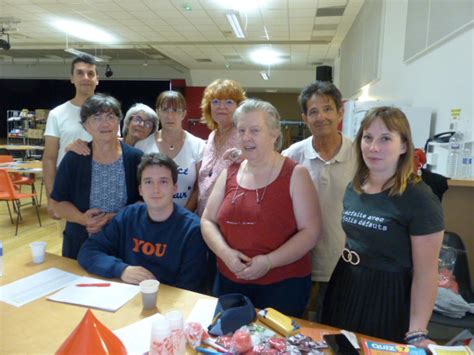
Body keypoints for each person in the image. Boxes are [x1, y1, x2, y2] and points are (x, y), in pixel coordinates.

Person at [321, 107, 444, 345]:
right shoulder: (355, 187)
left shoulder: (419, 198)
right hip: (346, 283)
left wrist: (418, 331)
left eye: (385, 138)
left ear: (404, 146)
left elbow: (427, 272)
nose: (373, 147)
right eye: (367, 138)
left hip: (388, 295)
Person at [201, 99, 322, 317]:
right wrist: (225, 253)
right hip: (230, 283)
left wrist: (268, 261)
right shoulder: (230, 171)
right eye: (241, 130)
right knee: (231, 345)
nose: (246, 137)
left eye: (255, 130)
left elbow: (310, 232)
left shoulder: (296, 174)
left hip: (283, 287)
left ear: (274, 134)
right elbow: (207, 220)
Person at [78, 153, 208, 292]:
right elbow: (88, 251)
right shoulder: (128, 216)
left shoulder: (192, 230)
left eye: (163, 181)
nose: (155, 189)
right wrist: (122, 269)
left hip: (167, 303)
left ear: (175, 188)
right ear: (140, 189)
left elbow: (189, 289)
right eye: (148, 182)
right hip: (125, 296)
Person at [281, 81, 355, 322]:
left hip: (345, 261)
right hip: (301, 259)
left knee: (334, 325)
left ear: (340, 113)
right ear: (305, 117)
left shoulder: (359, 154)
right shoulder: (293, 155)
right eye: (313, 111)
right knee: (297, 324)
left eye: (327, 109)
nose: (321, 117)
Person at [51, 94, 143, 259]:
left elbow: (144, 202)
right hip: (79, 244)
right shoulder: (74, 158)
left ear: (119, 121)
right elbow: (57, 203)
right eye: (97, 117)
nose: (105, 123)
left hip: (125, 243)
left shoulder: (135, 158)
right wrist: (82, 218)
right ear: (86, 125)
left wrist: (114, 218)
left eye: (111, 116)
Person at [43, 54, 99, 219]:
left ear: (97, 79)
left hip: (101, 184)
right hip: (68, 189)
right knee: (71, 241)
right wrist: (51, 198)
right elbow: (49, 159)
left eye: (90, 73)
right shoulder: (57, 114)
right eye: (80, 73)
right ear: (72, 78)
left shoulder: (108, 114)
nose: (86, 78)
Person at [135, 91, 205, 211]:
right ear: (158, 112)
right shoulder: (142, 146)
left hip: (186, 219)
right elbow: (139, 185)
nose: (170, 115)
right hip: (151, 217)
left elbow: (198, 188)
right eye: (165, 110)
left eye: (175, 110)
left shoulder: (198, 145)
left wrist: (184, 217)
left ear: (183, 114)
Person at [197, 79, 247, 216]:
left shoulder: (245, 136)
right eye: (216, 102)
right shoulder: (212, 136)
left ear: (239, 107)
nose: (221, 107)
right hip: (202, 218)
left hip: (230, 219)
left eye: (229, 102)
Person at [65, 103, 159, 155]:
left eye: (148, 124)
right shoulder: (109, 142)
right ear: (128, 121)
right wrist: (73, 147)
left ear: (152, 131)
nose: (141, 125)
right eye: (138, 120)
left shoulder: (153, 152)